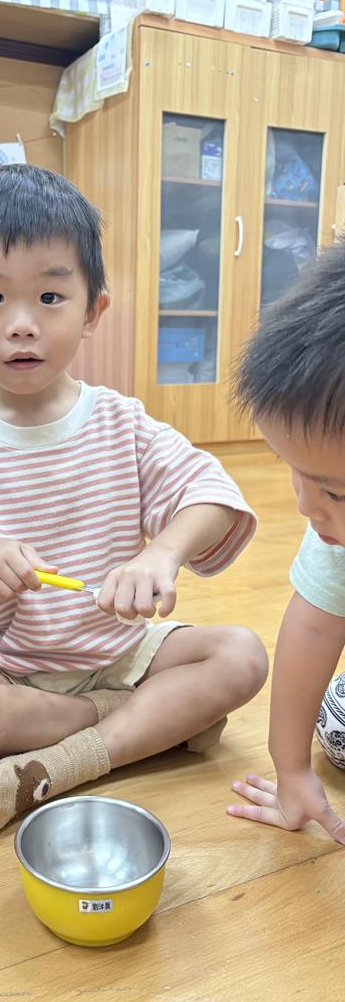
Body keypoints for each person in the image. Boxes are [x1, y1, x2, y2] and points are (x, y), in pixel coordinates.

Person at [0, 164, 268, 833]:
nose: (22, 325)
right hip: (2, 670)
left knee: (242, 654)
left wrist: (161, 554)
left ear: (93, 310)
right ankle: (129, 725)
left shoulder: (120, 422)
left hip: (117, 654)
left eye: (50, 296)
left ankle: (71, 760)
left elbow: (212, 494)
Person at [228, 243, 345, 844]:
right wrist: (292, 769)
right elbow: (314, 628)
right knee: (338, 731)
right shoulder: (333, 532)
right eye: (294, 472)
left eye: (335, 493)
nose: (305, 506)